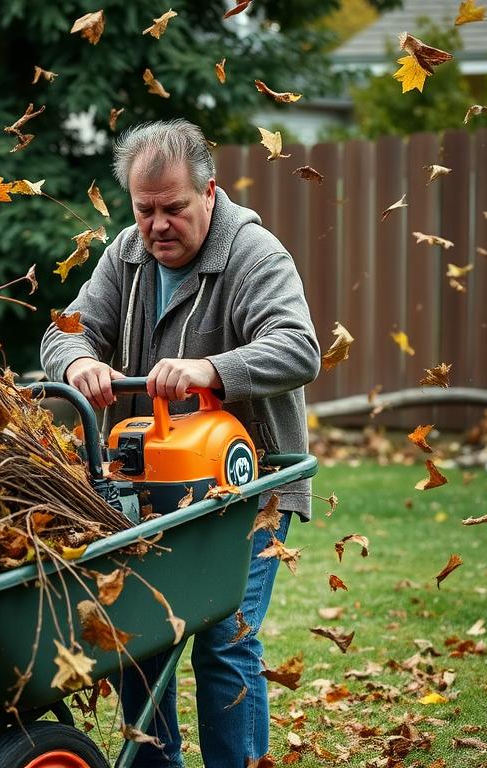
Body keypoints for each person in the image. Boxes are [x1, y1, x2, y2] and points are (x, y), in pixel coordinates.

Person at [39, 119, 320, 767]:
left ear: (210, 194)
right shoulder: (126, 255)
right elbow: (65, 331)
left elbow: (298, 347)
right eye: (145, 210)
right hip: (146, 489)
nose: (158, 225)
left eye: (174, 208)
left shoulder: (254, 255)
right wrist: (78, 361)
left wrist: (212, 371)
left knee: (225, 640)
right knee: (138, 639)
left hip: (247, 488)